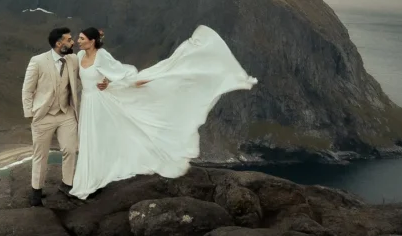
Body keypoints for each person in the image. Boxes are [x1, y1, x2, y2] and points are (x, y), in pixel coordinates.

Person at [69, 25, 257, 200]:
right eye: (78, 38)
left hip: (102, 102)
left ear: (92, 41)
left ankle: (94, 180)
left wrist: (115, 82)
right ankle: (89, 180)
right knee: (90, 139)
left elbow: (118, 72)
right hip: (88, 101)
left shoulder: (101, 56)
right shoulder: (78, 57)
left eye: (82, 38)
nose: (78, 40)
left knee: (102, 138)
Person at [21, 27, 108, 206]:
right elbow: (27, 90)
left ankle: (66, 185)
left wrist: (104, 80)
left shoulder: (73, 59)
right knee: (40, 155)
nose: (73, 42)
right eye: (69, 40)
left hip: (66, 113)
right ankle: (36, 191)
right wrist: (30, 114)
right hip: (43, 116)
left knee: (70, 150)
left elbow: (88, 71)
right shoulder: (37, 61)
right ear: (59, 44)